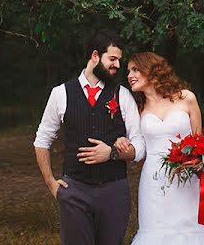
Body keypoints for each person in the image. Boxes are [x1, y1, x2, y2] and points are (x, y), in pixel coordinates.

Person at [34, 29, 146, 245]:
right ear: (95, 56)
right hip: (74, 191)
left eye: (119, 60)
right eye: (112, 59)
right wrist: (51, 183)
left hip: (114, 191)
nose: (117, 65)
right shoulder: (61, 93)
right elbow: (42, 140)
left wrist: (113, 153)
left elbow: (139, 144)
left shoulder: (122, 94)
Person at [118, 51, 204, 245]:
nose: (129, 75)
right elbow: (138, 146)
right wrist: (123, 143)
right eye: (129, 71)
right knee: (155, 232)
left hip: (184, 176)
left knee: (187, 230)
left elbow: (199, 141)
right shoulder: (137, 109)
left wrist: (197, 162)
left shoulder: (186, 98)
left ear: (152, 70)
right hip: (153, 180)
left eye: (135, 70)